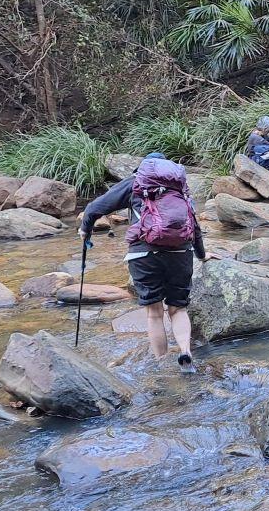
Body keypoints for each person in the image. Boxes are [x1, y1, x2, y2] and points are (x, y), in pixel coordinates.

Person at [79, 152, 207, 369]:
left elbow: (94, 209)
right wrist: (201, 255)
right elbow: (193, 225)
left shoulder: (136, 182)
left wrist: (85, 230)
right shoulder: (179, 187)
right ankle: (185, 351)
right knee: (178, 309)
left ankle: (161, 363)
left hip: (143, 255)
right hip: (180, 254)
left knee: (154, 314)